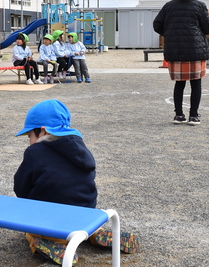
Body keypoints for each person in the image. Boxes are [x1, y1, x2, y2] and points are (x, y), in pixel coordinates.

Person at [14, 100, 139, 264]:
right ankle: (94, 233)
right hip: (86, 217)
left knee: (27, 230)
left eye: (29, 135)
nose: (29, 140)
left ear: (42, 131)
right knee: (80, 217)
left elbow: (20, 187)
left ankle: (44, 242)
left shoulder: (34, 152)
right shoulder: (80, 148)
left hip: (52, 223)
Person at [153, 0, 209, 125]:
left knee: (179, 84)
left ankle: (179, 115)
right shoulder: (199, 6)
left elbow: (156, 25)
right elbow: (208, 28)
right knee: (196, 83)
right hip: (195, 49)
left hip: (175, 49)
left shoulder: (169, 6)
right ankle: (193, 116)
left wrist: (170, 33)